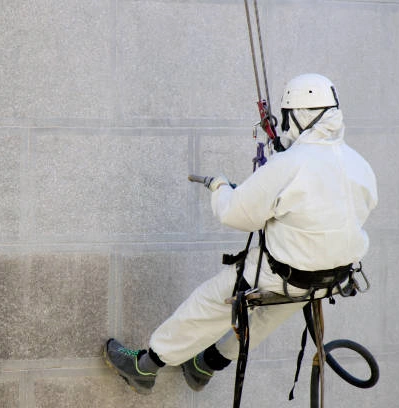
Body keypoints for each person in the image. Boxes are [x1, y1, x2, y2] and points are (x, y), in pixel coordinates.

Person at [103, 73, 378, 394]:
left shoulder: (290, 164)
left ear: (298, 115)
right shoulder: (359, 164)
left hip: (284, 274)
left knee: (210, 304)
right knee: (267, 315)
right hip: (332, 279)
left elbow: (236, 214)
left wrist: (219, 187)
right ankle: (205, 365)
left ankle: (145, 366)